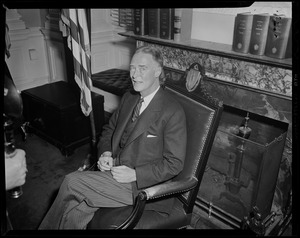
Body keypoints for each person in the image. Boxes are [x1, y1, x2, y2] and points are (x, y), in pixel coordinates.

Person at [38, 45, 187, 229]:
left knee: (71, 182)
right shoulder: (129, 97)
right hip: (113, 171)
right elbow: (109, 129)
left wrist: (135, 174)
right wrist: (106, 153)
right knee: (76, 209)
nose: (134, 74)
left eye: (142, 68)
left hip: (140, 186)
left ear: (158, 71)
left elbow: (174, 163)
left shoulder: (172, 110)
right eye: (132, 67)